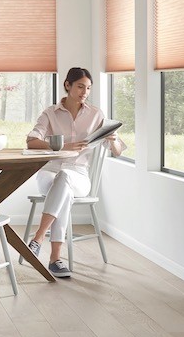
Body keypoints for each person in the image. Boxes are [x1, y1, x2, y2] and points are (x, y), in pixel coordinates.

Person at [26, 67, 125, 278]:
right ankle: (55, 260)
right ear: (67, 85)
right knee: (64, 190)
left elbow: (116, 152)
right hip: (49, 172)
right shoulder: (50, 114)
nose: (84, 92)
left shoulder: (96, 114)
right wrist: (62, 148)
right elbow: (31, 141)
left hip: (79, 175)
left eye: (88, 88)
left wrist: (113, 138)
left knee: (66, 180)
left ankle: (39, 238)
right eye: (80, 86)